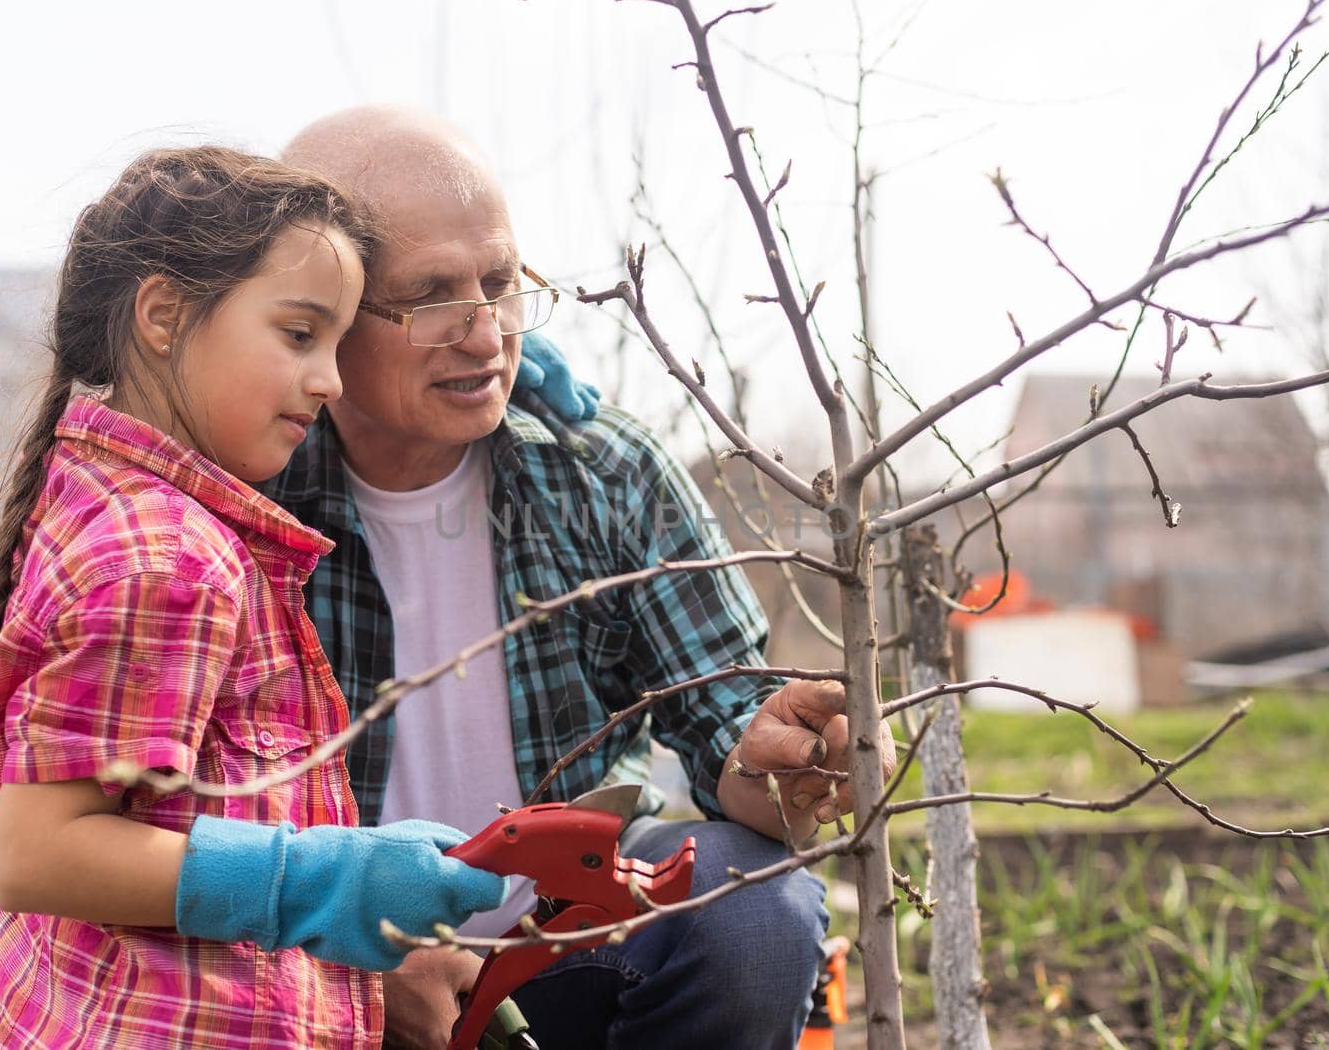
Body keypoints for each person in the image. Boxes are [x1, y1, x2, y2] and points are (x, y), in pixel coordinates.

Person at [270, 106, 896, 1050]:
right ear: (327, 315)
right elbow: (162, 833)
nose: (485, 336)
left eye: (500, 282)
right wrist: (341, 957)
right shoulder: (247, 502)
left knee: (751, 909)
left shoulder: (604, 474)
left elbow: (723, 713)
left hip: (549, 951)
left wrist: (782, 759)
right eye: (433, 295)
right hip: (300, 973)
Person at [0, 147, 532, 1049]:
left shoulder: (106, 490)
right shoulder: (168, 559)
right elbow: (39, 852)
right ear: (164, 314)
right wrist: (326, 880)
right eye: (299, 335)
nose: (330, 378)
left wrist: (520, 376)